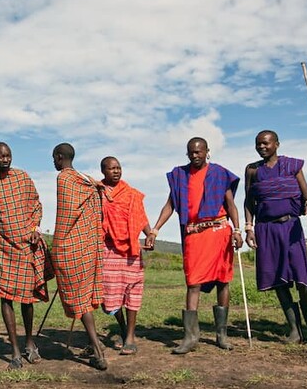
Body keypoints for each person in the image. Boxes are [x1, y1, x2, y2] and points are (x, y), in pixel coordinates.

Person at [147, 137, 243, 354]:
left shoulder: (219, 173)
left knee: (222, 281)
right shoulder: (180, 176)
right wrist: (155, 229)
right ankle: (191, 336)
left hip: (219, 232)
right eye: (191, 152)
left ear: (207, 151)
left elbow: (231, 205)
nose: (194, 156)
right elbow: (170, 206)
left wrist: (237, 230)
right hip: (194, 234)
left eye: (199, 152)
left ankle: (222, 334)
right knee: (193, 282)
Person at [243, 131, 307, 345]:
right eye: (258, 144)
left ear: (277, 144)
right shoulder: (253, 170)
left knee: (302, 278)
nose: (262, 147)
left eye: (266, 143)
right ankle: (294, 329)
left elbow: (305, 193)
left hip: (290, 227)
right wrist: (249, 228)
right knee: (278, 279)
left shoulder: (292, 166)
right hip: (266, 229)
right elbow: (248, 202)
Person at [0, 142, 49, 369]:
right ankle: (14, 350)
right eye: (1, 156)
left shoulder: (22, 178)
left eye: (8, 155)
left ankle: (29, 343)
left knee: (27, 297)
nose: (5, 159)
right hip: (0, 245)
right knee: (5, 297)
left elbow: (36, 204)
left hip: (25, 243)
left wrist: (35, 228)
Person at [50, 144, 107, 370]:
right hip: (89, 247)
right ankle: (95, 348)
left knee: (81, 302)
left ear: (59, 157)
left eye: (54, 158)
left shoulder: (64, 179)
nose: (53, 162)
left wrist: (57, 247)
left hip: (71, 248)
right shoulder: (86, 180)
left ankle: (99, 352)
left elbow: (66, 215)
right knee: (84, 300)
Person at [99, 156, 153, 355]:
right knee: (110, 295)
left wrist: (150, 235)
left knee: (132, 291)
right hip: (108, 250)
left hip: (131, 250)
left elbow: (140, 217)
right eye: (112, 168)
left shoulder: (130, 194)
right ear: (103, 171)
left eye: (118, 168)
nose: (116, 171)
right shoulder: (98, 192)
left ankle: (130, 337)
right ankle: (122, 328)